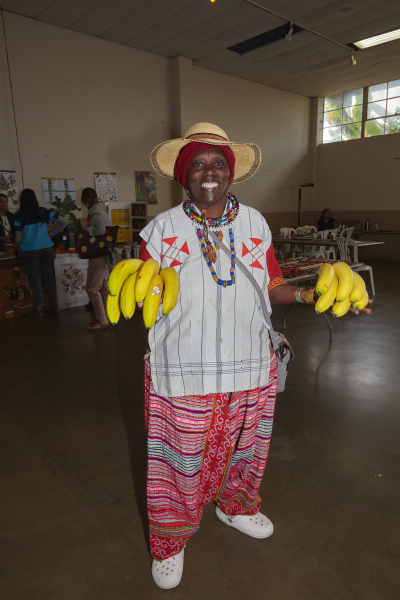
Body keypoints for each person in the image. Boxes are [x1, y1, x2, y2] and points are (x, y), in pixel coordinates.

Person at [138, 123, 372, 589]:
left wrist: (314, 296)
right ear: (184, 175)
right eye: (199, 164)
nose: (209, 172)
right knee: (178, 460)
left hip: (249, 363)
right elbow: (141, 294)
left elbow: (271, 287)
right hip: (184, 368)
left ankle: (236, 507)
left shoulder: (255, 224)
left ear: (231, 174)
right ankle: (171, 540)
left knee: (247, 448)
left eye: (218, 164)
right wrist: (118, 285)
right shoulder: (161, 230)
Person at [14, 189, 68, 317]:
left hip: (30, 250)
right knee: (49, 277)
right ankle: (54, 306)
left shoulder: (19, 215)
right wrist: (51, 234)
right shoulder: (44, 211)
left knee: (35, 279)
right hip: (47, 249)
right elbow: (64, 222)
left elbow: (18, 239)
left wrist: (17, 247)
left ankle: (38, 309)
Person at [79, 187, 113, 331]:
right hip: (105, 255)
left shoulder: (96, 214)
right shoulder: (101, 210)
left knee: (92, 289)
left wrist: (87, 228)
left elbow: (99, 230)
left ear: (85, 202)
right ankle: (106, 317)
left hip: (98, 256)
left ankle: (102, 319)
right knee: (104, 289)